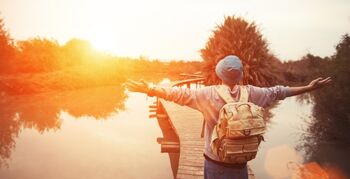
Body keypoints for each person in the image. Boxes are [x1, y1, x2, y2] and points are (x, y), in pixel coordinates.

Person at [125, 55, 332, 179]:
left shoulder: (207, 94)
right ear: (241, 75)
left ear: (219, 74)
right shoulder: (252, 93)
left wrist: (150, 89)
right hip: (240, 164)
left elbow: (177, 94)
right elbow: (279, 91)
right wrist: (308, 87)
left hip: (215, 162)